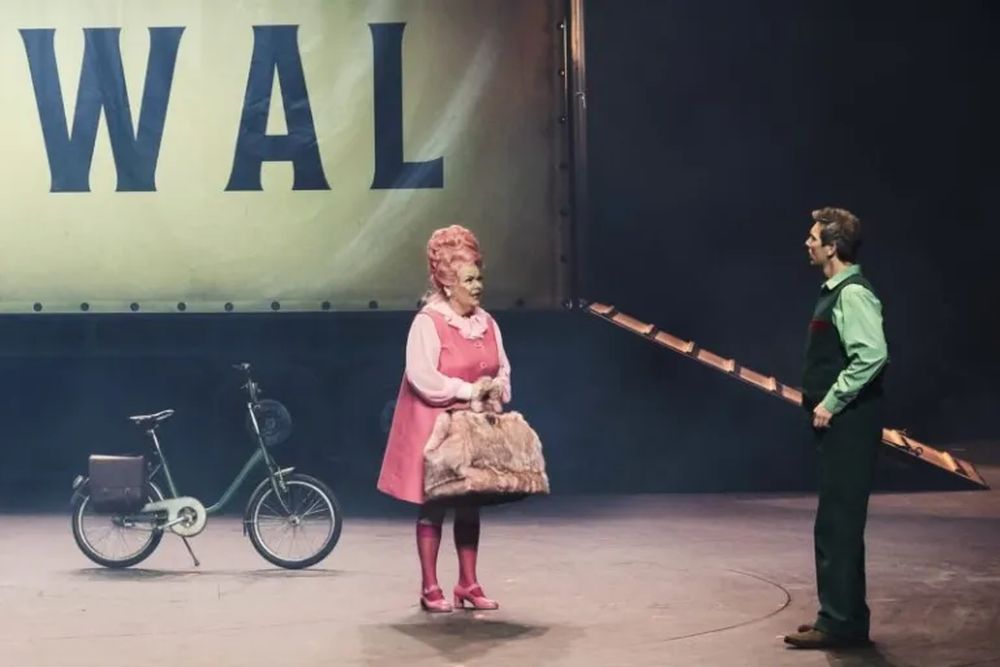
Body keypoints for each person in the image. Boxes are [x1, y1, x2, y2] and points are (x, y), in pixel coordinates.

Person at [377, 224, 511, 613]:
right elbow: (423, 376)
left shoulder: (486, 322)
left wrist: (496, 387)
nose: (478, 286)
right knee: (434, 504)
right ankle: (430, 586)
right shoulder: (430, 321)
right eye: (470, 280)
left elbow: (502, 367)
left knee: (469, 503)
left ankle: (468, 583)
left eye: (479, 278)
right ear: (450, 284)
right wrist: (468, 390)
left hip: (473, 427)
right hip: (435, 425)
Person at [784, 207, 889, 649]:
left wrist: (831, 401)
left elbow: (872, 354)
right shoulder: (835, 292)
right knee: (835, 522)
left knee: (839, 524)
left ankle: (840, 623)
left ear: (832, 247)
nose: (807, 243)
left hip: (850, 424)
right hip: (841, 427)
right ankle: (841, 616)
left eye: (814, 238)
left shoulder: (853, 294)